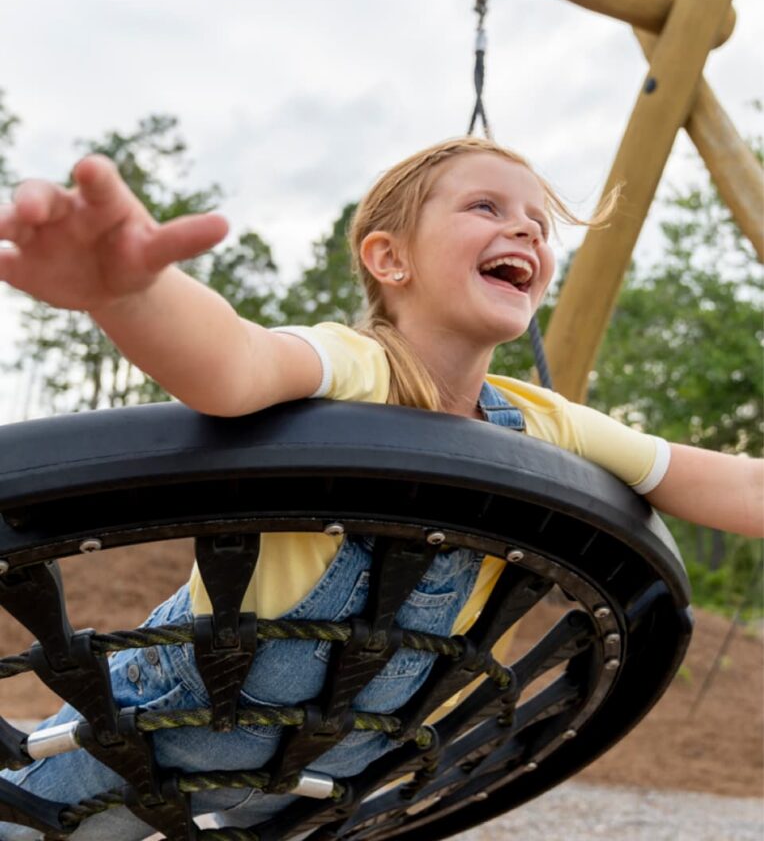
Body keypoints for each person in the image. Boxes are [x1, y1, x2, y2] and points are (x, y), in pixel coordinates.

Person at [0, 136, 761, 839]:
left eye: (539, 222)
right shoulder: (359, 370)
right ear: (389, 259)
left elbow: (696, 474)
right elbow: (235, 366)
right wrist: (129, 294)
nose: (528, 231)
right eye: (486, 207)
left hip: (314, 770)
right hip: (153, 727)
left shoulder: (539, 425)